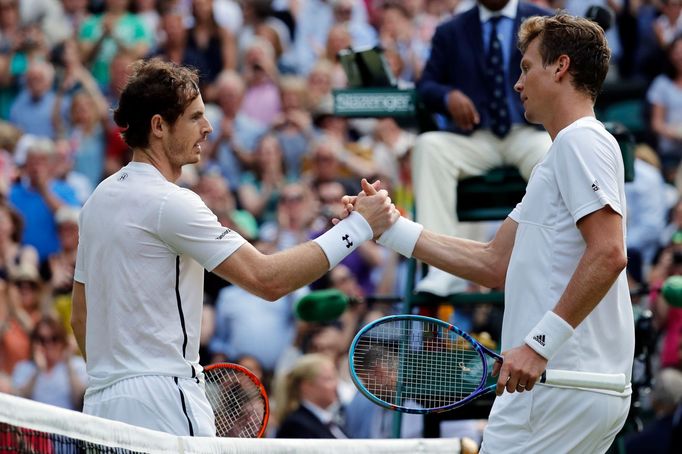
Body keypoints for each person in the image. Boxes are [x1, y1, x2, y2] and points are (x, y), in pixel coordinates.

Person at [342, 13, 633, 452]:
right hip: (571, 388)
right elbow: (492, 262)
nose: (517, 84)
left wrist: (537, 346)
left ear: (560, 67)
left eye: (526, 67)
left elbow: (610, 253)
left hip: (559, 386)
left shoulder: (580, 141)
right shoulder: (557, 158)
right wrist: (390, 228)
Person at [69, 58, 398, 437]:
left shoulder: (96, 200)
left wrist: (118, 377)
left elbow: (81, 317)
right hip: (162, 401)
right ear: (158, 126)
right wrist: (358, 228)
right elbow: (267, 279)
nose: (207, 128)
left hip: (100, 407)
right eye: (194, 117)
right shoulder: (171, 202)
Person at [412, 0, 552, 296]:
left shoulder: (543, 22)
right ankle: (442, 270)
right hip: (476, 137)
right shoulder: (451, 30)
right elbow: (426, 86)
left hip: (528, 131)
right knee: (428, 147)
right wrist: (447, 95)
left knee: (554, 153)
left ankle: (550, 264)